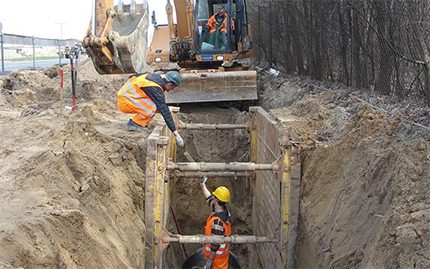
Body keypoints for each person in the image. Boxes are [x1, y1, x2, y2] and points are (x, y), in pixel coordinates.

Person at [117, 71, 185, 147]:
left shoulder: (154, 77)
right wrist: (176, 134)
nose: (172, 90)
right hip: (125, 101)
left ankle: (140, 123)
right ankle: (134, 124)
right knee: (153, 108)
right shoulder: (154, 87)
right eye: (173, 87)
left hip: (127, 97)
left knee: (154, 105)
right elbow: (163, 109)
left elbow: (133, 75)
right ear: (170, 84)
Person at [199, 176, 232, 269]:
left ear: (217, 200)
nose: (212, 198)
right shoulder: (223, 211)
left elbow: (215, 244)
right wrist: (202, 185)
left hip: (216, 262)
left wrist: (209, 261)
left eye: (214, 197)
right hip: (222, 260)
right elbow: (209, 199)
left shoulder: (218, 222)